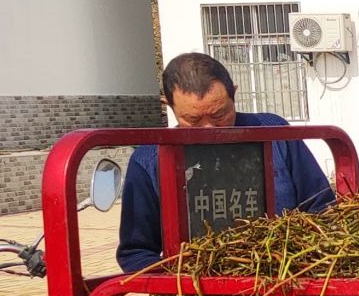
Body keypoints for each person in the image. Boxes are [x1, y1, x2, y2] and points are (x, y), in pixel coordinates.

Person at [117, 53, 336, 273]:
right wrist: (183, 286)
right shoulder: (149, 161)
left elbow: (322, 209)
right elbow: (137, 253)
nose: (210, 130)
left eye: (220, 114)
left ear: (234, 94)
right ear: (169, 106)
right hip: (200, 295)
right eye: (193, 120)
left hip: (285, 279)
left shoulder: (274, 132)